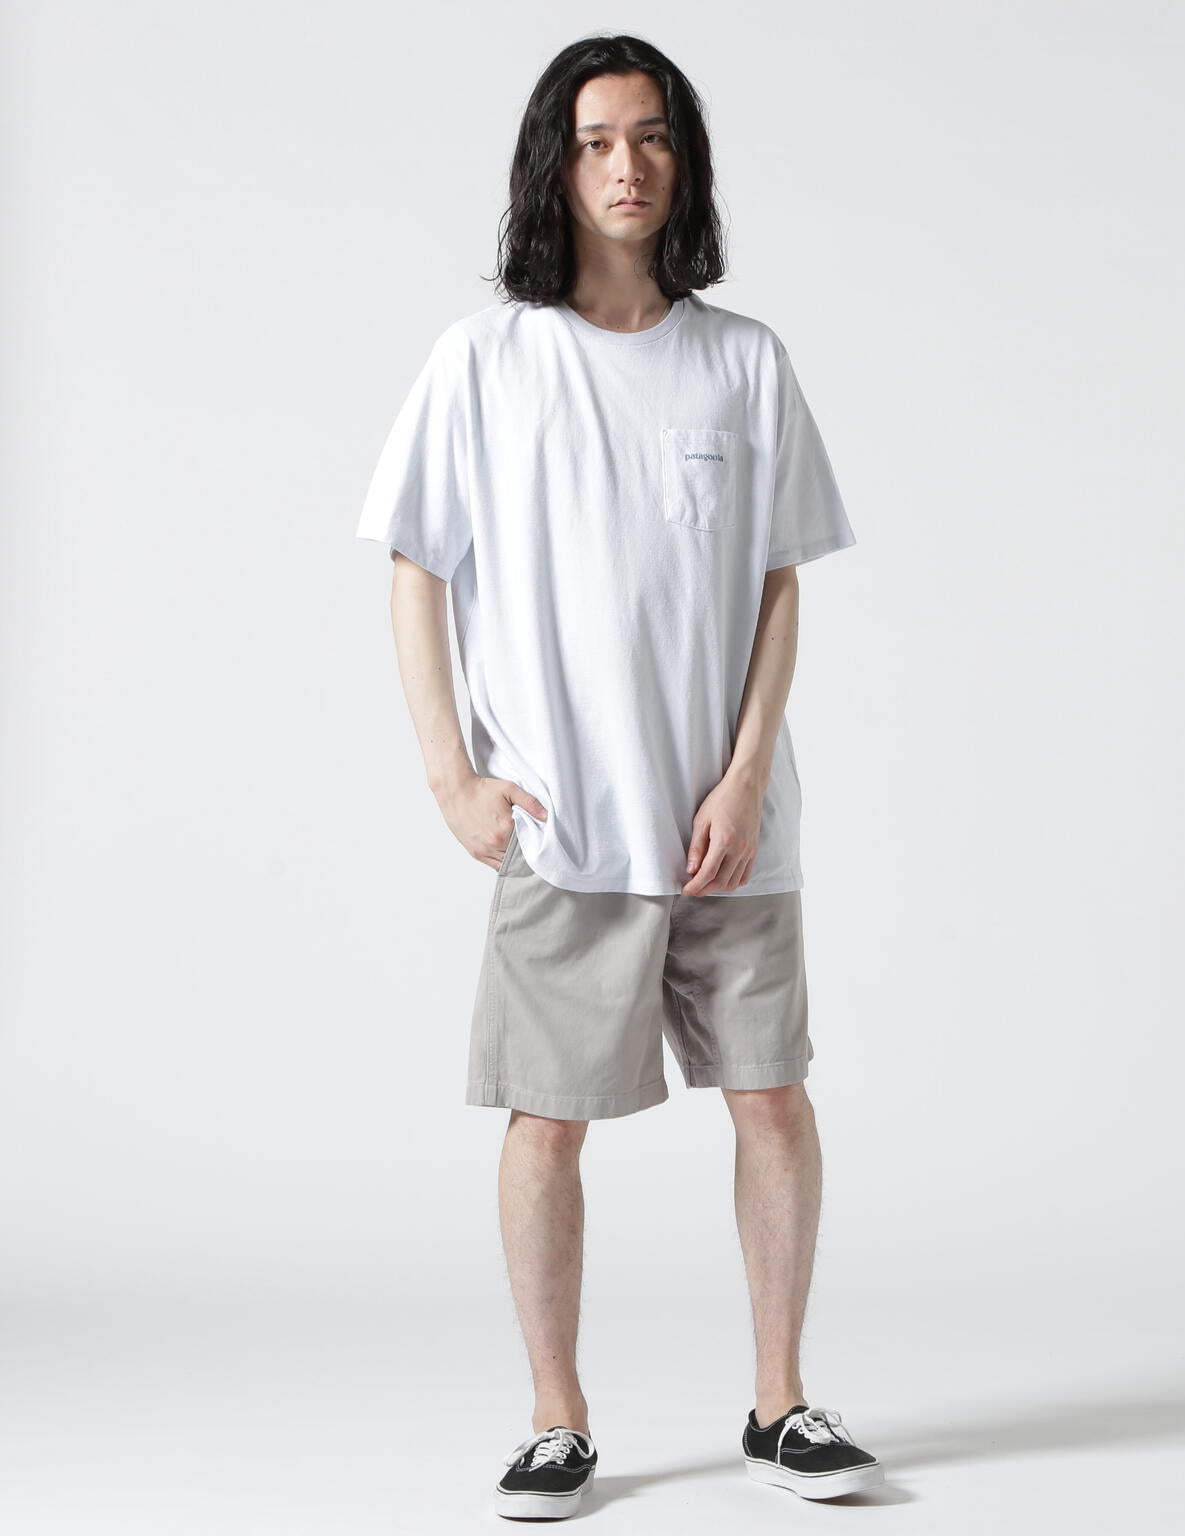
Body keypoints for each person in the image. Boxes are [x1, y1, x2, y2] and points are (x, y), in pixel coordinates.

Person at [355, 33, 884, 1519]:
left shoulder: (744, 360)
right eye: (596, 142)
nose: (626, 166)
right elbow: (415, 567)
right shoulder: (486, 360)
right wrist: (454, 778)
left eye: (651, 138)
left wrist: (746, 771)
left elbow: (778, 580)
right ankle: (557, 1418)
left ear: (683, 162)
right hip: (568, 820)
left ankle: (780, 1405)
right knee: (547, 1122)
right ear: (556, 164)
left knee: (774, 1102)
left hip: (731, 828)